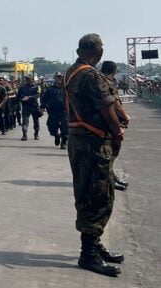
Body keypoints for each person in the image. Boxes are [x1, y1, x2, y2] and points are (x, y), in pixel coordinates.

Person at [64, 33, 125, 277]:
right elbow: (106, 107)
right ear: (97, 51)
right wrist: (117, 133)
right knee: (98, 195)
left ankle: (94, 244)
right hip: (93, 142)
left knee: (89, 191)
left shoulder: (72, 71)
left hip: (81, 140)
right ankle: (88, 253)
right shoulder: (90, 75)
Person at [99, 61, 129, 192]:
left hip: (103, 122)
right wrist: (126, 116)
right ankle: (110, 178)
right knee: (113, 150)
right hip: (111, 122)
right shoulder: (108, 83)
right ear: (114, 71)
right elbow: (115, 104)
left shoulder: (100, 80)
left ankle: (111, 177)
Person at [41, 74, 68, 148]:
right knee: (51, 127)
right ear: (55, 79)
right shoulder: (50, 89)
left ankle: (64, 141)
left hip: (64, 111)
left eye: (61, 78)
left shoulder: (67, 88)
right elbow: (44, 99)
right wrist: (42, 107)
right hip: (53, 111)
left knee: (65, 127)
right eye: (58, 77)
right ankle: (56, 135)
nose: (59, 79)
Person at [18, 75, 40, 141]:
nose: (27, 80)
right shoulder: (22, 87)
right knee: (25, 121)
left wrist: (29, 97)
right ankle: (24, 135)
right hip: (26, 106)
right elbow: (18, 96)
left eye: (29, 79)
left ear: (32, 79)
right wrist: (20, 100)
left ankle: (36, 134)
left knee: (36, 121)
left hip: (34, 106)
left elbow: (38, 95)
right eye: (26, 79)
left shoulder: (36, 87)